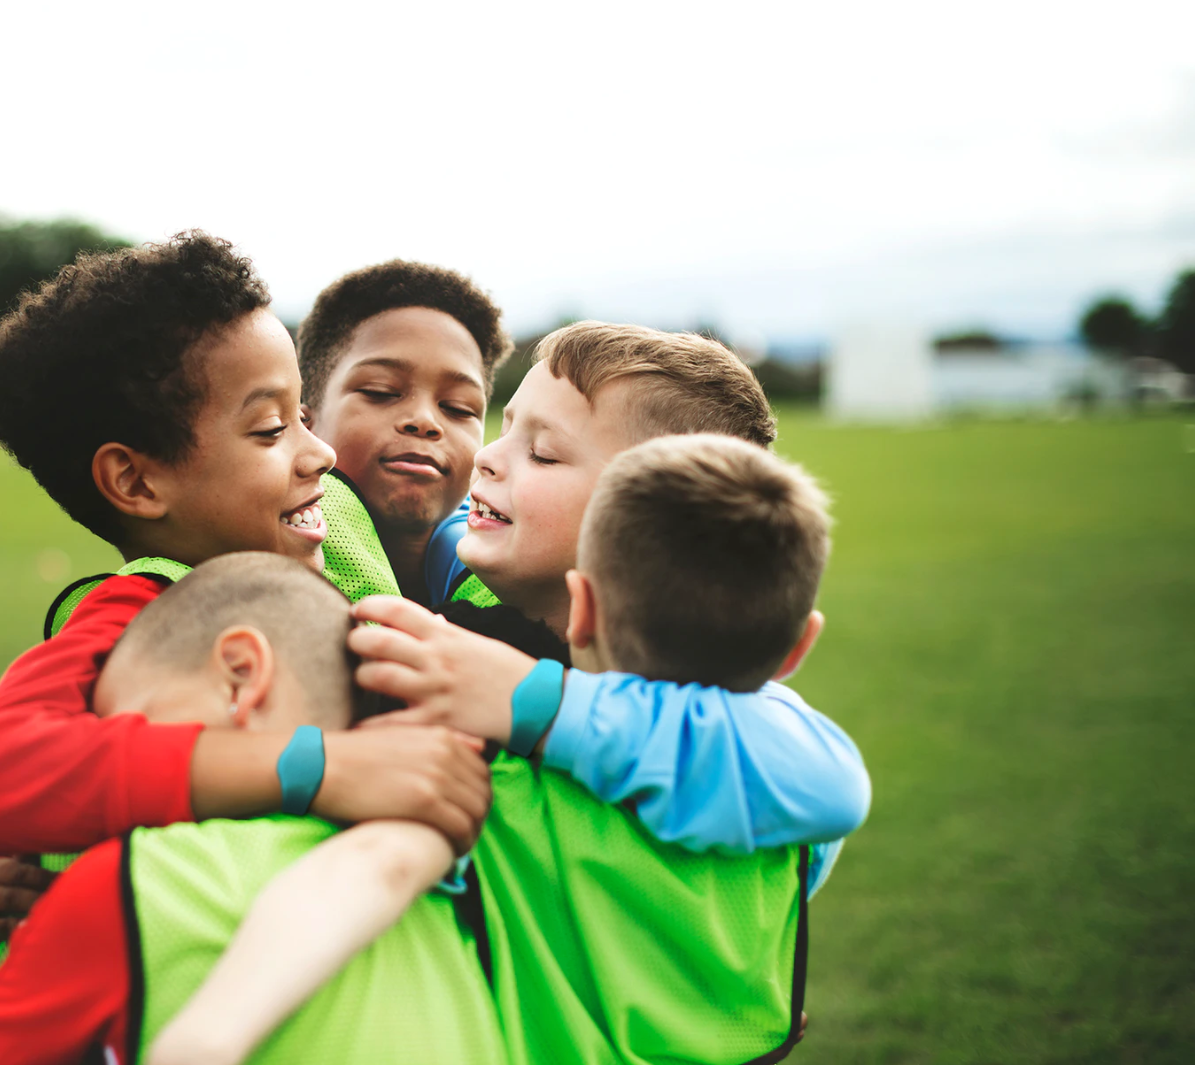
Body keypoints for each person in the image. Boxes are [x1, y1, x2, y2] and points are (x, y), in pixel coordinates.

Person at [151, 324, 868, 1065]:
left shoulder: (544, 760)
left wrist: (531, 699)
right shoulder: (469, 565)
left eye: (544, 451)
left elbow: (832, 780)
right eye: (504, 426)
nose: (486, 458)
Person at [0, 232, 493, 1018]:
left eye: (302, 414)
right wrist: (317, 767)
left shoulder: (332, 520)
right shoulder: (139, 610)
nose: (318, 452)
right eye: (270, 429)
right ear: (134, 479)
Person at [0, 553, 508, 1065]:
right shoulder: (450, 890)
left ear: (240, 678)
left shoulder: (139, 883)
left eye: (130, 725)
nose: (112, 776)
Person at [296, 260, 513, 603]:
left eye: (458, 407)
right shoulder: (240, 570)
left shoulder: (524, 584)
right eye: (380, 392)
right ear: (304, 424)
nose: (425, 420)